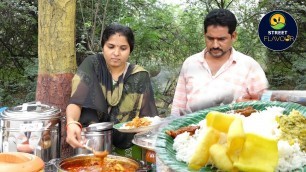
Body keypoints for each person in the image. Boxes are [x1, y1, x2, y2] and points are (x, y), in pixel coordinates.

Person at [65, 23, 158, 159]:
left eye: (123, 48)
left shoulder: (139, 75)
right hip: (91, 141)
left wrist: (153, 145)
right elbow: (76, 101)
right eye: (111, 47)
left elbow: (148, 119)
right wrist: (71, 123)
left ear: (130, 50)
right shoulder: (93, 65)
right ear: (103, 46)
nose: (116, 53)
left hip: (129, 145)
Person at [171, 9, 268, 116]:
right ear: (204, 34)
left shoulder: (250, 66)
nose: (215, 45)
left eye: (222, 39)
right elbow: (178, 107)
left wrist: (250, 105)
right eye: (210, 38)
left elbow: (266, 107)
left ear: (234, 36)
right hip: (191, 130)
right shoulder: (190, 64)